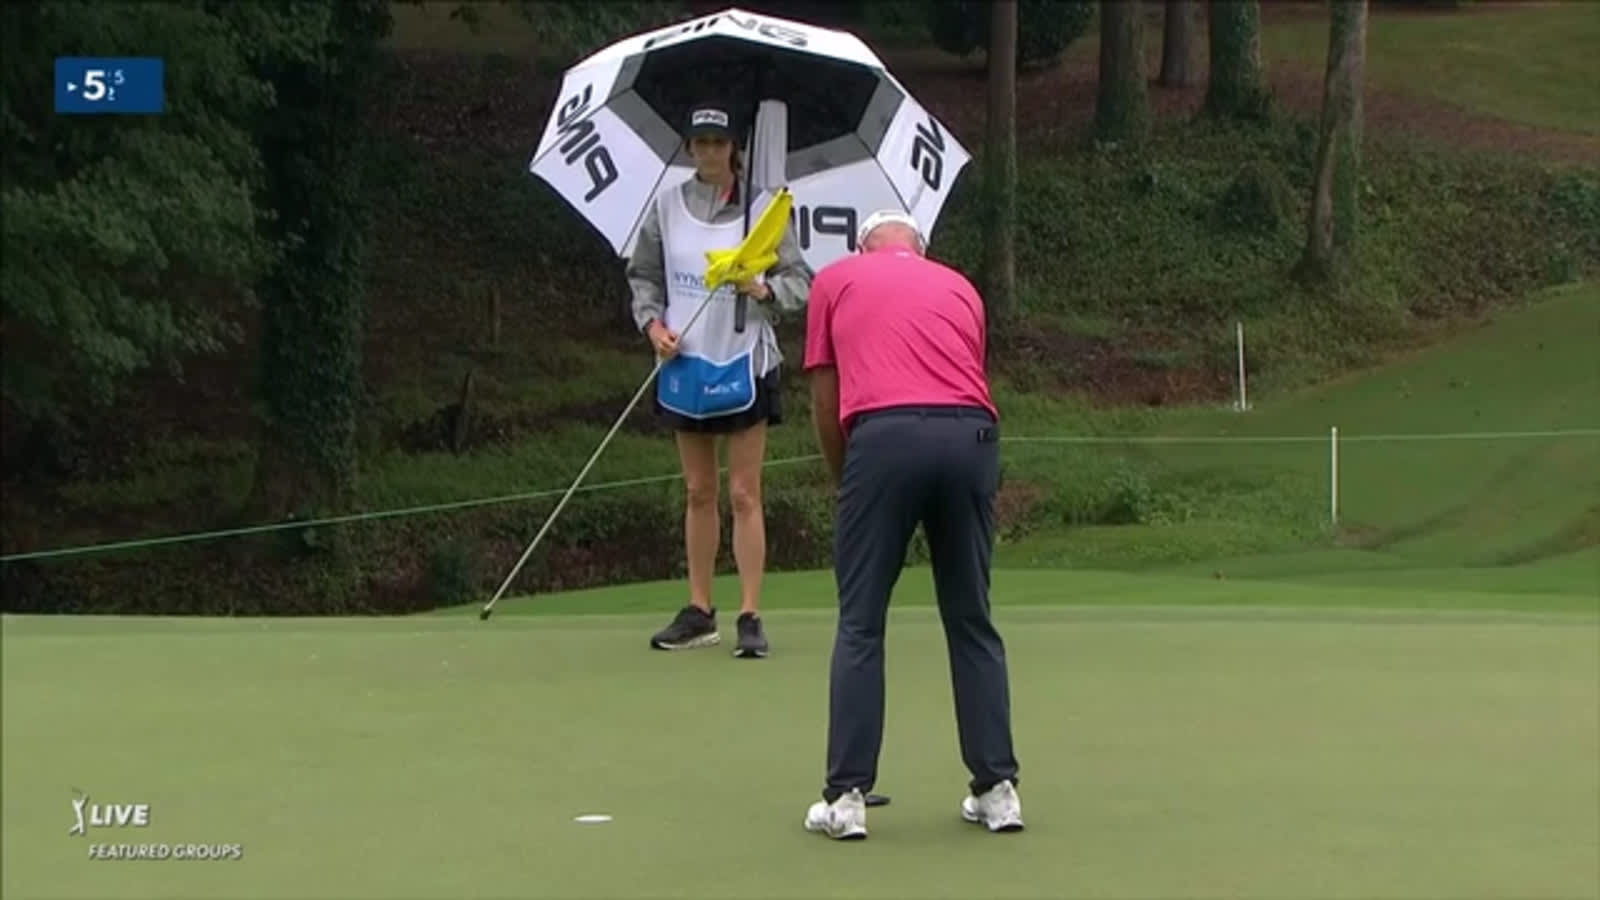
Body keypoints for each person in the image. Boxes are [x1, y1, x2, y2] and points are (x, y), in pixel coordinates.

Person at [799, 210, 1023, 840]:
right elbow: (965, 377)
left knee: (862, 620)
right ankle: (997, 790)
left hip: (884, 437)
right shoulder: (960, 287)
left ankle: (846, 798)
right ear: (918, 248)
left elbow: (825, 394)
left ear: (863, 245)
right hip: (971, 437)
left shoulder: (836, 279)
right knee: (970, 615)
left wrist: (844, 478)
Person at [626, 102, 813, 659]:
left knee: (743, 493)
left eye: (719, 142)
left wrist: (762, 291)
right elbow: (644, 276)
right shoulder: (665, 206)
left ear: (735, 148)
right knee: (698, 491)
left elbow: (800, 281)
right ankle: (699, 609)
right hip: (683, 362)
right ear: (688, 147)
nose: (709, 151)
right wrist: (652, 324)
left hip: (745, 361)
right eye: (700, 141)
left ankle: (750, 613)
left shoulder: (764, 210)